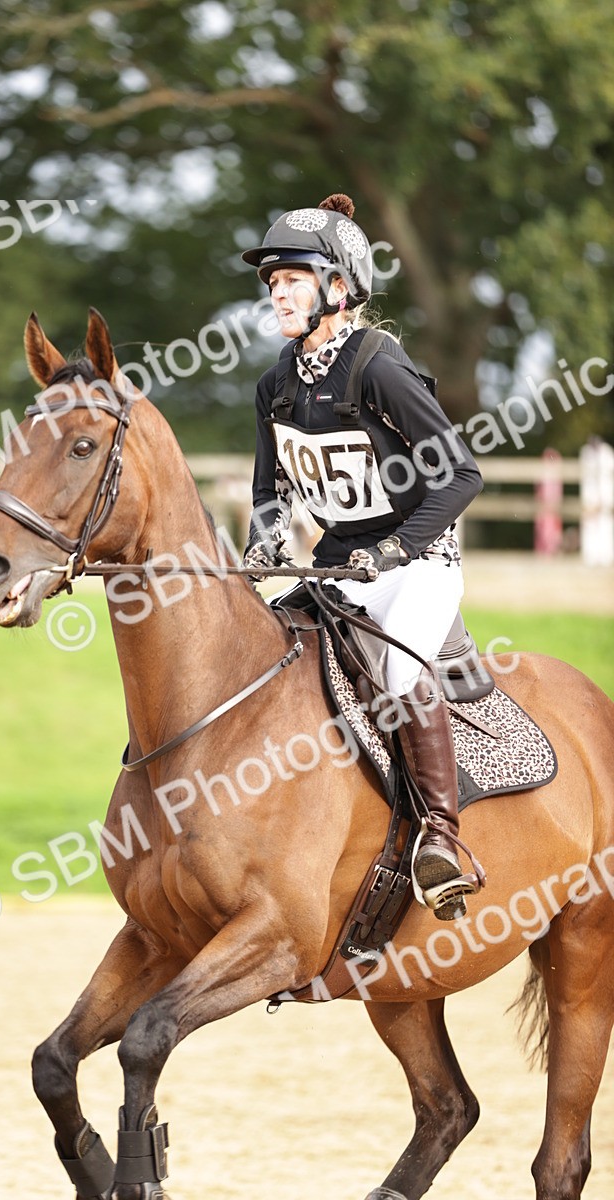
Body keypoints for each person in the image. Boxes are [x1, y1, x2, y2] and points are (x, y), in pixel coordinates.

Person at [241, 192, 484, 920]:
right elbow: (269, 488)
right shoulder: (274, 384)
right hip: (338, 572)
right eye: (272, 281)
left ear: (338, 290)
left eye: (293, 278)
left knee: (399, 670)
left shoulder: (379, 367)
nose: (278, 291)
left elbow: (463, 474)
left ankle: (441, 837)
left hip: (417, 565)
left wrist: (397, 547)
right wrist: (265, 539)